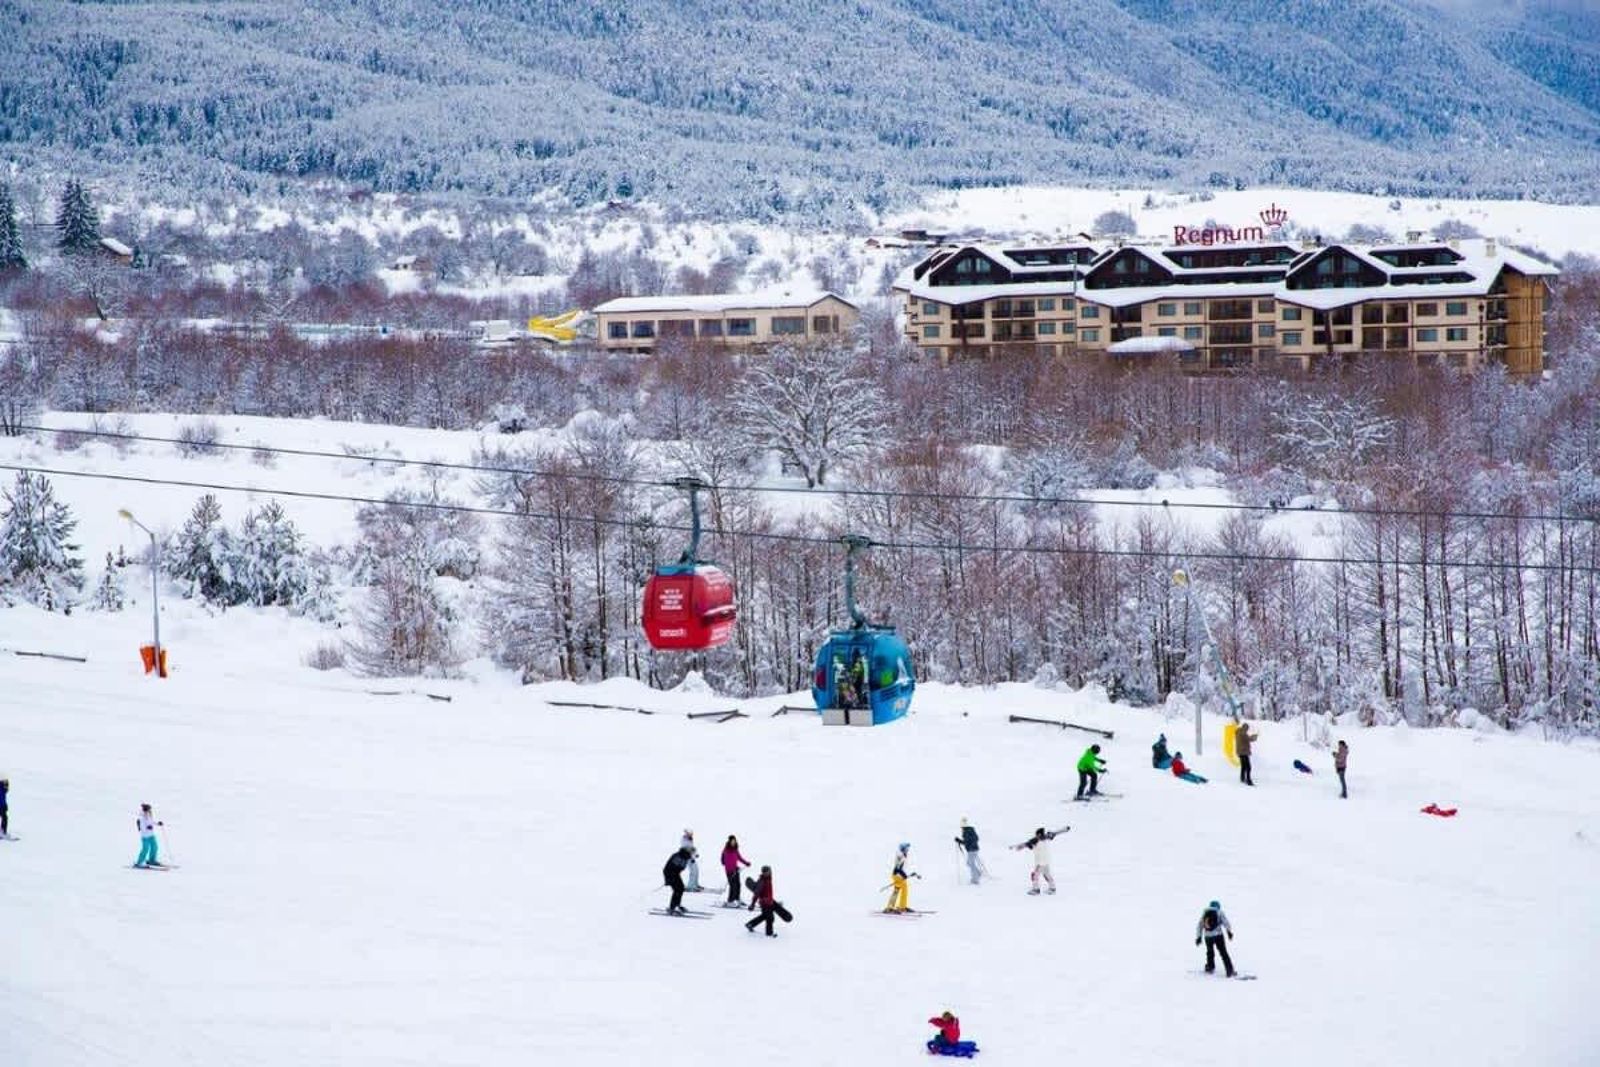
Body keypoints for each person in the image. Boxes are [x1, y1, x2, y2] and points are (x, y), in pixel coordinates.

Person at [1011, 826, 1063, 895]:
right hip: (1046, 861)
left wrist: (1020, 847)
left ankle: (1036, 889)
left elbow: (1027, 844)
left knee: (1035, 875)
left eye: (1037, 834)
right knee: (1047, 875)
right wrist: (1021, 846)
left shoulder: (1036, 840)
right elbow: (1027, 844)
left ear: (1039, 834)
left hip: (1040, 863)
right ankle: (1052, 888)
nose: (1036, 835)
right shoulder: (1046, 838)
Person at [1194, 899, 1236, 977]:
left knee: (1210, 952)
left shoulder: (1205, 913)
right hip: (1218, 935)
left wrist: (1198, 937)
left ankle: (1210, 967)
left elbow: (1199, 925)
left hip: (1208, 937)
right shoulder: (1219, 912)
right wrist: (1229, 932)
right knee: (1223, 952)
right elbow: (1226, 922)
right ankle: (1229, 970)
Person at [744, 865, 780, 936]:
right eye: (764, 872)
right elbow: (756, 894)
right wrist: (752, 904)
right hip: (764, 903)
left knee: (764, 916)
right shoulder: (762, 881)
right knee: (769, 918)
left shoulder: (769, 878)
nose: (766, 873)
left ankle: (750, 924)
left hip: (769, 901)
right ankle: (769, 933)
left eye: (768, 871)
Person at [885, 842, 916, 913]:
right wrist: (903, 875)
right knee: (897, 890)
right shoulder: (900, 855)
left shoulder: (904, 855)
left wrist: (903, 875)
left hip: (900, 875)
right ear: (903, 848)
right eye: (906, 848)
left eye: (908, 848)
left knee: (905, 889)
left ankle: (902, 906)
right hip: (897, 875)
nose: (907, 849)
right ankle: (890, 907)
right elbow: (898, 868)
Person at [662, 846, 693, 915]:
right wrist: (668, 880)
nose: (692, 854)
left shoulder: (684, 856)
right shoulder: (679, 856)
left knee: (681, 888)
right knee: (677, 889)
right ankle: (672, 908)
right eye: (691, 853)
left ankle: (677, 905)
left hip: (675, 874)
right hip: (670, 873)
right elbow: (671, 868)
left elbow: (680, 868)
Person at [721, 834, 751, 905]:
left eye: (734, 841)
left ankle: (737, 899)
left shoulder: (735, 850)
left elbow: (739, 858)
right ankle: (730, 900)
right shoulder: (726, 850)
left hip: (736, 870)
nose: (733, 842)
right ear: (729, 841)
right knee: (732, 885)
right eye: (732, 841)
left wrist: (746, 863)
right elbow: (723, 860)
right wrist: (728, 866)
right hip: (729, 871)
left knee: (738, 885)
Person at [134, 803, 163, 868]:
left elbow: (151, 822)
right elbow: (141, 828)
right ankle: (139, 862)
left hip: (151, 835)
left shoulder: (149, 815)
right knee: (145, 849)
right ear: (145, 810)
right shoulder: (141, 817)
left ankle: (152, 860)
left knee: (155, 847)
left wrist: (158, 823)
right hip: (145, 836)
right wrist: (147, 828)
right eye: (149, 809)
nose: (150, 811)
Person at [954, 818, 982, 885]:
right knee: (969, 863)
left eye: (961, 827)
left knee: (970, 864)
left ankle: (975, 880)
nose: (961, 829)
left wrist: (959, 841)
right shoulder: (971, 830)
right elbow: (975, 839)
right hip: (974, 849)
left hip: (972, 850)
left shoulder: (967, 832)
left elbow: (966, 842)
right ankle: (978, 873)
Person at [1236, 721, 1257, 786]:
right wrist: (1254, 737)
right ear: (1245, 728)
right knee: (1248, 767)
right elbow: (1249, 739)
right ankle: (1248, 780)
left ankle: (1242, 778)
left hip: (1240, 752)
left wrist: (1251, 737)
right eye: (1247, 728)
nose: (1247, 730)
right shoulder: (1242, 733)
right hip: (1244, 752)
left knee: (1243, 766)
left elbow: (1246, 738)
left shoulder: (1239, 732)